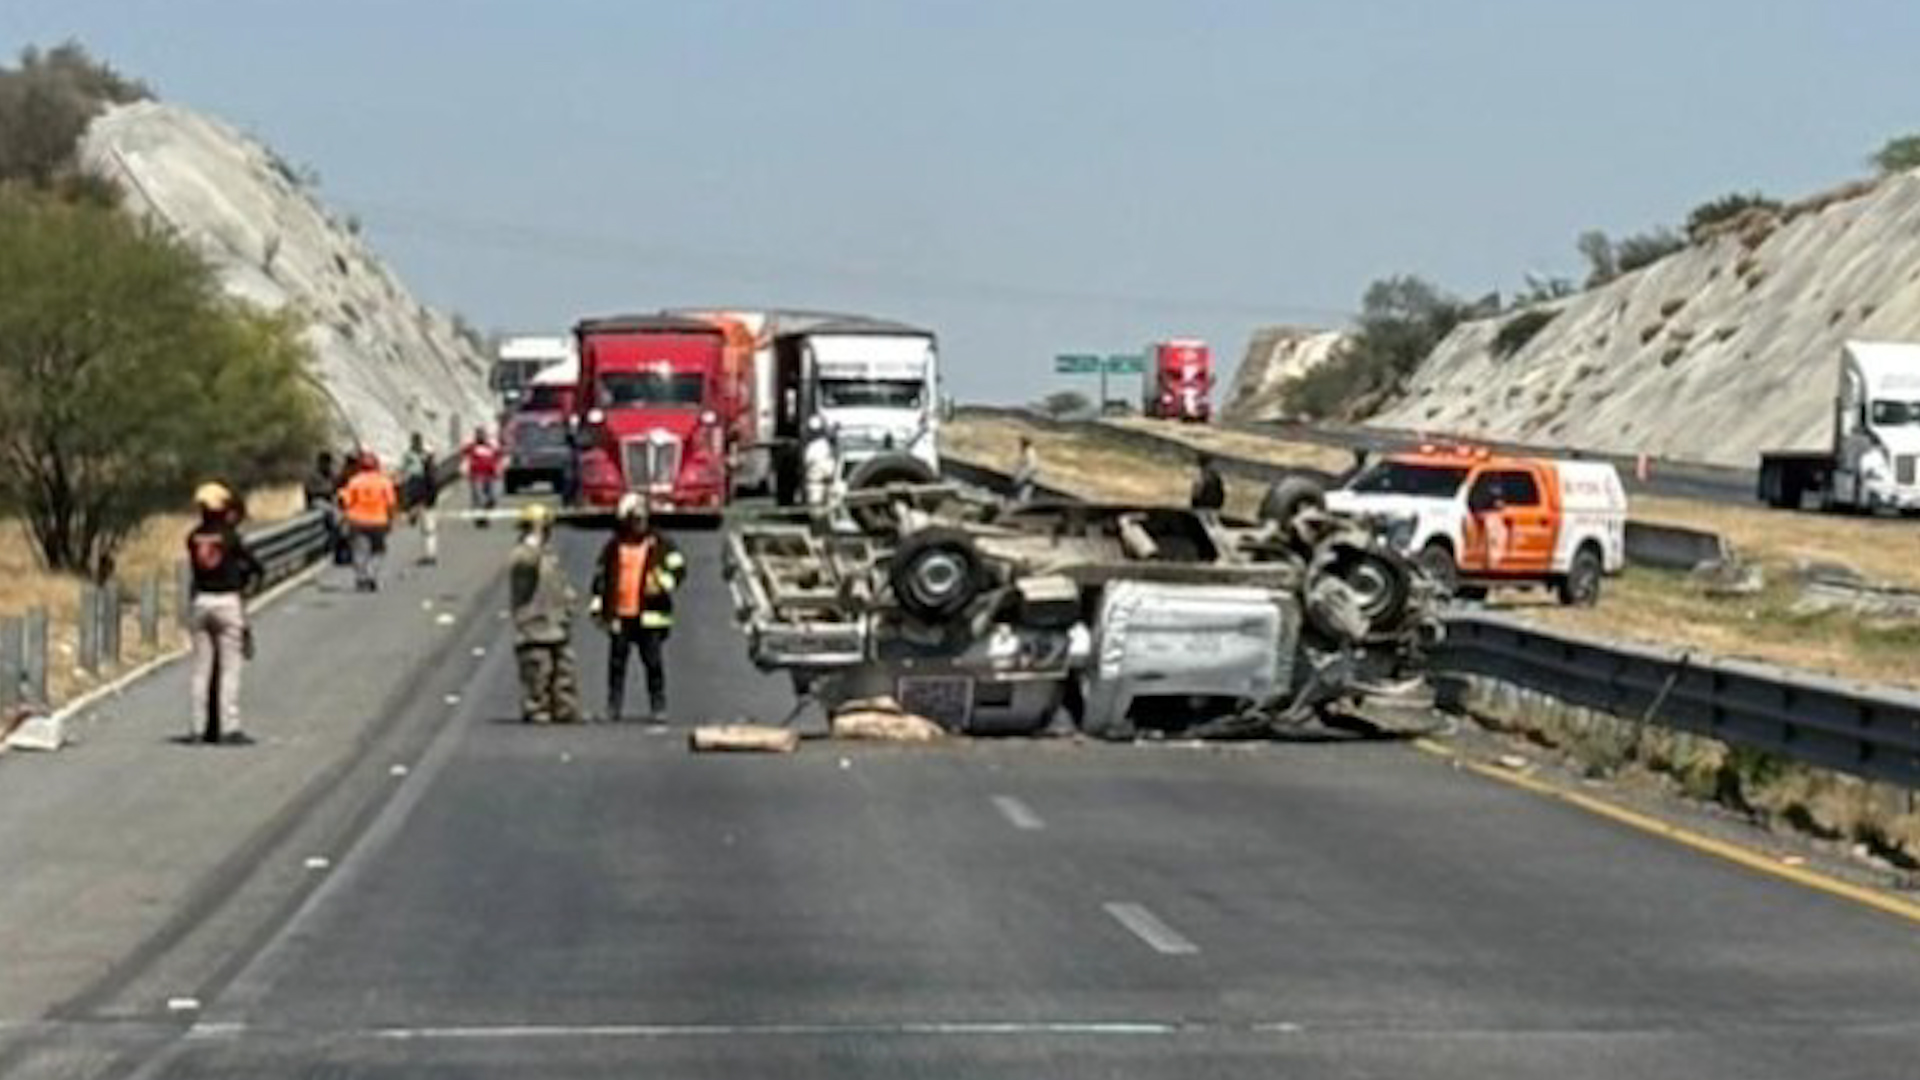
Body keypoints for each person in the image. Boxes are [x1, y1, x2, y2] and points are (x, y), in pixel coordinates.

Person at [592, 494, 685, 723]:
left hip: (650, 616)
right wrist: (598, 607)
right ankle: (613, 707)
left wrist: (662, 584)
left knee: (653, 663)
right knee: (616, 664)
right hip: (621, 614)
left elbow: (679, 570)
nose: (638, 524)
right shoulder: (614, 546)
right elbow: (601, 579)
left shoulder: (661, 544)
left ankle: (658, 706)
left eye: (642, 519)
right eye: (634, 520)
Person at [185, 482, 264, 745]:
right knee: (230, 669)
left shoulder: (193, 537)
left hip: (200, 602)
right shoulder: (230, 537)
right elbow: (253, 564)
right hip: (227, 602)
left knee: (201, 670)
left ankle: (198, 728)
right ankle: (228, 728)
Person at [509, 503, 582, 724]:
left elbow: (559, 584)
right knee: (538, 672)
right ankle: (536, 707)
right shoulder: (522, 554)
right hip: (534, 627)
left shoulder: (549, 555)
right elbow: (527, 563)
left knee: (565, 672)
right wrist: (534, 537)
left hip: (557, 625)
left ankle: (565, 708)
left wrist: (569, 604)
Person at [340, 452, 399, 592]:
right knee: (379, 551)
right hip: (379, 521)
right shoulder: (384, 481)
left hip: (357, 520)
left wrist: (345, 518)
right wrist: (392, 520)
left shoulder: (354, 481)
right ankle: (372, 575)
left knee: (360, 551)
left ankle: (361, 578)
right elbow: (391, 503)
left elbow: (346, 502)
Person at [462, 426, 503, 526]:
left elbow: (499, 457)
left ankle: (485, 514)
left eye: (483, 434)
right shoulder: (472, 447)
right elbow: (464, 456)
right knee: (479, 498)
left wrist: (499, 469)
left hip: (491, 476)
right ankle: (481, 519)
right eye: (479, 434)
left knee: (493, 498)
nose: (481, 436)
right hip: (477, 476)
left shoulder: (491, 446)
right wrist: (465, 468)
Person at [801, 416, 840, 508]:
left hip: (825, 480)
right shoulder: (818, 446)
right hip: (817, 481)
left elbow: (806, 462)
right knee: (817, 501)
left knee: (826, 499)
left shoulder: (818, 445)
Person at [400, 433, 437, 528]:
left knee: (422, 498)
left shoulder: (425, 453)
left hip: (423, 478)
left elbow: (432, 465)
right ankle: (413, 515)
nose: (416, 443)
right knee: (413, 498)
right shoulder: (408, 454)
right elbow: (403, 466)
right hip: (412, 477)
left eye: (418, 441)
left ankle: (419, 515)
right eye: (414, 441)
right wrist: (402, 475)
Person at [1012, 437, 1040, 502]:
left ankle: (1022, 501)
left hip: (1029, 472)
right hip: (1028, 472)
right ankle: (1022, 500)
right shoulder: (1027, 451)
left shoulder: (1029, 452)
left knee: (1025, 488)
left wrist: (1021, 476)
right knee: (1024, 489)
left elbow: (1031, 465)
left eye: (1021, 443)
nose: (1020, 445)